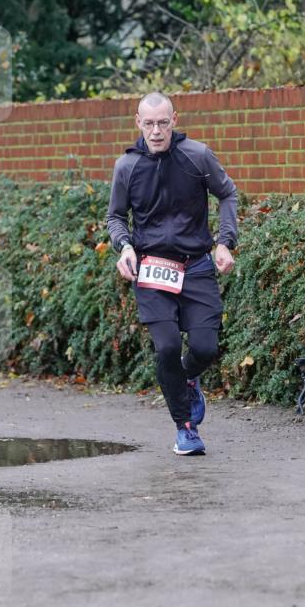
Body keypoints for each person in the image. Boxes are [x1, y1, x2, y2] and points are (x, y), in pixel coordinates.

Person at [106, 92, 238, 456]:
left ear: (174, 120)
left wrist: (224, 242)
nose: (156, 130)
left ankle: (188, 377)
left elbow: (227, 194)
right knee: (166, 348)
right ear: (138, 123)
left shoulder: (197, 156)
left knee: (204, 348)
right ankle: (186, 427)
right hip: (152, 270)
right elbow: (115, 217)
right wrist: (126, 247)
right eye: (148, 123)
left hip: (196, 266)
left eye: (163, 122)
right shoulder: (126, 167)